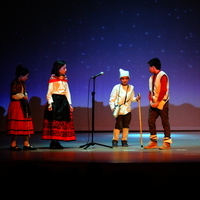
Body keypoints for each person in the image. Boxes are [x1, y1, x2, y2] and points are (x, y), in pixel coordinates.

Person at [42, 60, 76, 149]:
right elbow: (49, 92)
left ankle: (57, 141)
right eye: (64, 68)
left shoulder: (64, 78)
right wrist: (50, 103)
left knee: (62, 122)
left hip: (63, 102)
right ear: (58, 69)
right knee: (54, 121)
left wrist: (70, 104)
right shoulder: (53, 78)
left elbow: (67, 92)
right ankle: (53, 141)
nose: (66, 70)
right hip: (55, 101)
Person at [7, 65, 37, 151]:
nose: (27, 78)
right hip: (17, 105)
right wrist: (22, 96)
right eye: (26, 76)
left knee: (26, 123)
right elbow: (13, 95)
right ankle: (13, 144)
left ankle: (26, 143)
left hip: (23, 105)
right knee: (16, 124)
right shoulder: (14, 83)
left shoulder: (23, 84)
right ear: (21, 76)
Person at [144, 58, 172, 150]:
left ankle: (167, 143)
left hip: (162, 102)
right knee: (150, 121)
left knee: (165, 122)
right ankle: (153, 142)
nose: (148, 68)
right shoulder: (151, 78)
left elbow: (163, 90)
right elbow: (150, 91)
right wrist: (151, 101)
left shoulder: (162, 75)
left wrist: (158, 102)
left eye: (149, 67)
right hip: (154, 103)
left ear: (153, 67)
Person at [109, 68, 140, 147]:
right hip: (118, 109)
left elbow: (131, 98)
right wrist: (113, 108)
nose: (124, 80)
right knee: (118, 125)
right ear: (120, 79)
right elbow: (112, 99)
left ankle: (124, 140)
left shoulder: (131, 87)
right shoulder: (116, 87)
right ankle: (115, 140)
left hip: (127, 109)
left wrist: (136, 99)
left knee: (126, 125)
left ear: (128, 79)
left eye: (126, 78)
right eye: (123, 79)